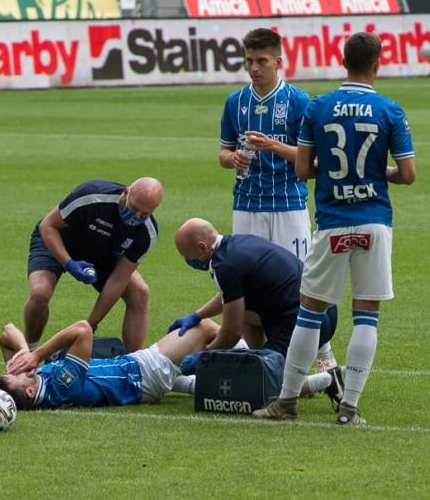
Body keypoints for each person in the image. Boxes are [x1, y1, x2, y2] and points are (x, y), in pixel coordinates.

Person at [253, 32, 415, 425]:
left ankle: (286, 402)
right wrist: (380, 172)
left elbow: (303, 169)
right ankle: (349, 408)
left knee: (309, 312)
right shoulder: (390, 110)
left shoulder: (319, 107)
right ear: (377, 64)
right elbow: (407, 175)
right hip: (374, 222)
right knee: (367, 315)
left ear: (343, 62)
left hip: (331, 223)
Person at [218, 28, 337, 370]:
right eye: (249, 61)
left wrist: (273, 145)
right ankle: (267, 360)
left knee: (302, 284)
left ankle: (324, 352)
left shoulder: (300, 103)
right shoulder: (234, 102)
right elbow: (223, 153)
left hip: (288, 205)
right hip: (246, 205)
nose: (254, 68)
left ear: (278, 62)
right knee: (252, 287)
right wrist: (233, 160)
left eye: (261, 61)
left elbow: (313, 163)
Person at [0, 318, 341, 409]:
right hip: (142, 372)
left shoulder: (30, 385)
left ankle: (319, 383)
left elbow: (6, 333)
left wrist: (21, 357)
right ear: (28, 391)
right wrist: (37, 355)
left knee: (210, 382)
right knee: (203, 329)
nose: (21, 369)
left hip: (141, 380)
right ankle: (270, 363)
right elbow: (83, 330)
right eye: (19, 375)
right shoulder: (59, 386)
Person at [24, 178, 162, 353]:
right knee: (40, 293)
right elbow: (48, 226)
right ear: (126, 193)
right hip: (57, 240)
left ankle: (131, 368)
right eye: (134, 208)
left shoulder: (147, 233)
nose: (136, 217)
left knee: (139, 293)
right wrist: (69, 264)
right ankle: (29, 352)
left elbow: (118, 280)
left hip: (102, 253)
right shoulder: (93, 195)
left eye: (145, 214)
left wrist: (89, 325)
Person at [169, 218, 338, 360]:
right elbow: (228, 298)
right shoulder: (238, 243)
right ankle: (262, 355)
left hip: (306, 323)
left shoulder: (224, 266)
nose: (188, 261)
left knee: (263, 383)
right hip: (327, 312)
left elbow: (232, 333)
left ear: (202, 248)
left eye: (187, 257)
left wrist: (204, 356)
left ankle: (327, 380)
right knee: (244, 315)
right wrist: (197, 316)